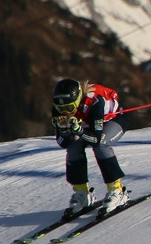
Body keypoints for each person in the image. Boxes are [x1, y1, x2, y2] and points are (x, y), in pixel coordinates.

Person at [51, 78, 129, 217]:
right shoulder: (60, 107)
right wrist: (64, 131)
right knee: (73, 146)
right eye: (61, 109)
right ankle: (82, 193)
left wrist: (78, 130)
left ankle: (117, 190)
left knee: (101, 145)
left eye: (69, 108)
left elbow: (95, 139)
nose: (65, 112)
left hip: (113, 119)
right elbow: (63, 142)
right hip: (87, 123)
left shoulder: (95, 101)